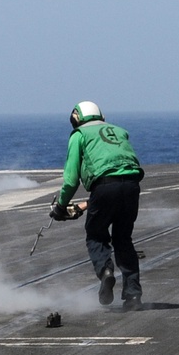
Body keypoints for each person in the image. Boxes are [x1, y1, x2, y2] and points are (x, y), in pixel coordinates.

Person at [50, 101, 145, 310]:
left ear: (77, 117)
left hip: (103, 188)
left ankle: (106, 272)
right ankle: (133, 295)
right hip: (131, 186)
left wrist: (60, 206)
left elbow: (71, 179)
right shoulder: (119, 131)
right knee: (123, 239)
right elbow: (118, 173)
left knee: (95, 234)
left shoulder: (79, 135)